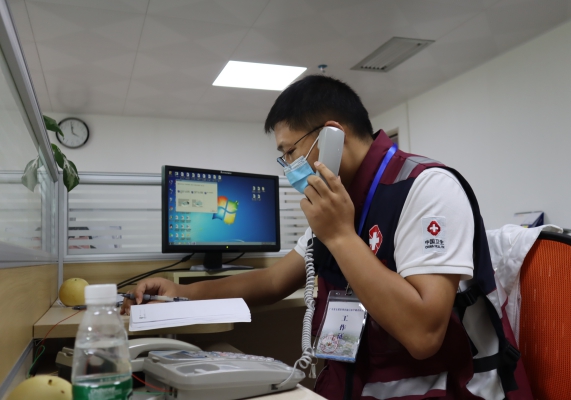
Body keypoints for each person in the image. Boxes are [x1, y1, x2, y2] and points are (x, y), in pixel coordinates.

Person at [121, 75, 532, 399]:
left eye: (290, 151)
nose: (288, 166)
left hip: (436, 388)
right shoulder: (341, 200)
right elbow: (272, 282)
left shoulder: (425, 187)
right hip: (356, 384)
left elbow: (423, 335)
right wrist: (181, 293)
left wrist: (339, 235)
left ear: (332, 135)